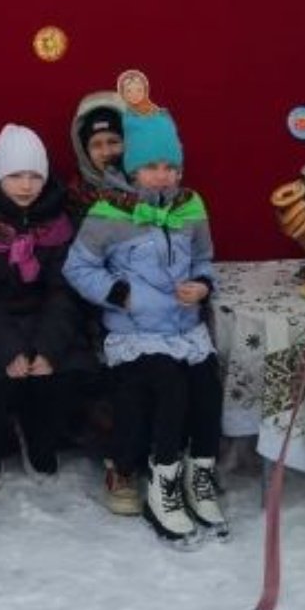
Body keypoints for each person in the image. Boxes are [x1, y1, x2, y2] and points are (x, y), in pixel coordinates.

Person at [63, 108, 227, 548]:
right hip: (135, 332)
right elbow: (77, 267)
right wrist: (120, 294)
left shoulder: (191, 206)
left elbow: (204, 258)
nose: (162, 175)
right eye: (151, 166)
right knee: (169, 388)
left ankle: (200, 476)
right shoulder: (108, 212)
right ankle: (162, 483)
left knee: (207, 389)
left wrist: (202, 285)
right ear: (133, 168)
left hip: (183, 328)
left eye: (170, 166)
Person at [0, 124, 94, 489]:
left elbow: (64, 289)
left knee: (61, 370)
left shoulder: (56, 223)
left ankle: (38, 432)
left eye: (35, 176)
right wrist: (8, 349)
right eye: (15, 176)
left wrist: (47, 347)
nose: (26, 186)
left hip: (44, 320)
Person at [64, 91, 130, 223]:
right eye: (96, 145)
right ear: (85, 151)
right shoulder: (77, 197)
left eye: (113, 142)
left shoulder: (152, 183)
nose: (106, 152)